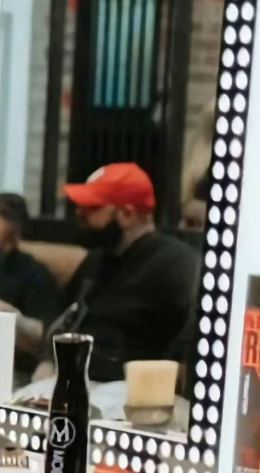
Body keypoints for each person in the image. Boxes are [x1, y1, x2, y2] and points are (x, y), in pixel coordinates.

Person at [55, 163, 200, 385]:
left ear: (128, 214)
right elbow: (64, 318)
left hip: (132, 391)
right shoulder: (97, 261)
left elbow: (192, 337)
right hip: (76, 378)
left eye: (92, 208)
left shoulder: (176, 264)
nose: (79, 214)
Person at [0, 192, 64, 379]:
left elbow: (46, 335)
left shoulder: (36, 275)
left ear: (15, 230)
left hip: (16, 369)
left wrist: (9, 313)